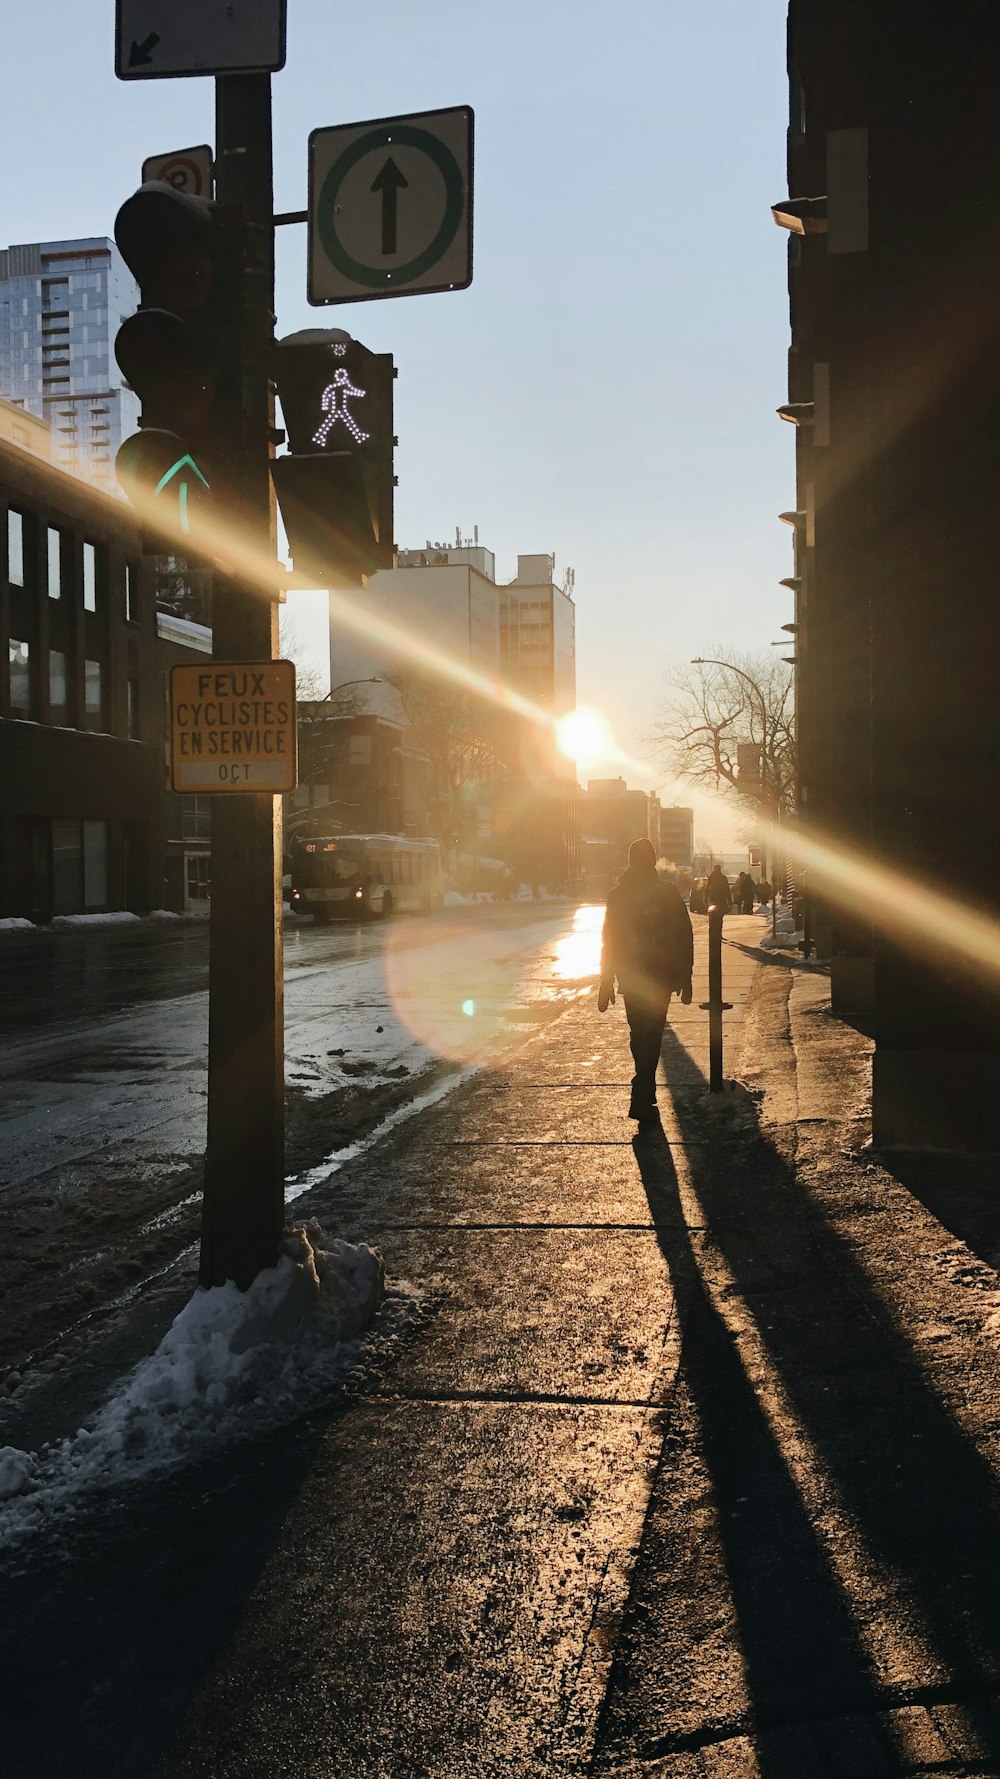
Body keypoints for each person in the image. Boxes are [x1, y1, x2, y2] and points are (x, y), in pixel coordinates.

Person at [598, 837, 694, 1129]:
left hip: (632, 977)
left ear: (630, 862)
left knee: (640, 1034)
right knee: (650, 1036)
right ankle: (642, 1095)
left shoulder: (618, 895)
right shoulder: (667, 892)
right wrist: (685, 976)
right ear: (652, 861)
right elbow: (683, 937)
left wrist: (606, 981)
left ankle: (643, 1094)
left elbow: (609, 940)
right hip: (659, 976)